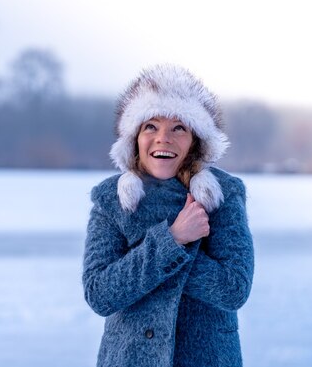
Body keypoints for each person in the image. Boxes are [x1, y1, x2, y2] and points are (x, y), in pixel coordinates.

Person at [82, 64, 254, 367]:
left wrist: (151, 255)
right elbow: (100, 294)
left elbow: (233, 289)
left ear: (195, 141)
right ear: (134, 137)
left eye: (179, 128)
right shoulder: (111, 200)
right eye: (151, 126)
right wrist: (173, 240)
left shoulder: (223, 195)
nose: (164, 138)